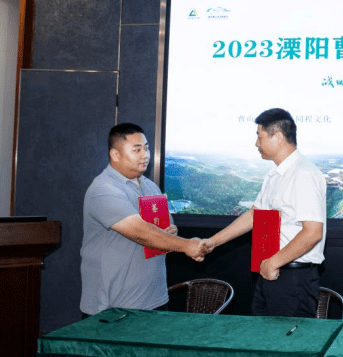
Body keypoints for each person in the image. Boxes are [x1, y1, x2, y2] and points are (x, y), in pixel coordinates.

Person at [204, 108, 327, 318]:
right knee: (263, 336)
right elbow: (254, 215)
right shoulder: (275, 175)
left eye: (260, 137)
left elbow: (313, 232)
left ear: (277, 137)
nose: (256, 143)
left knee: (287, 338)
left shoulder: (303, 174)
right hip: (271, 272)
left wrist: (274, 261)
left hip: (293, 278)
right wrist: (213, 242)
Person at [80, 123, 208, 317]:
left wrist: (171, 233)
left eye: (146, 149)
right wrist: (187, 245)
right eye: (137, 150)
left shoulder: (150, 186)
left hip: (155, 299)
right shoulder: (103, 190)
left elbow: (165, 228)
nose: (145, 155)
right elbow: (141, 232)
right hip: (113, 307)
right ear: (115, 155)